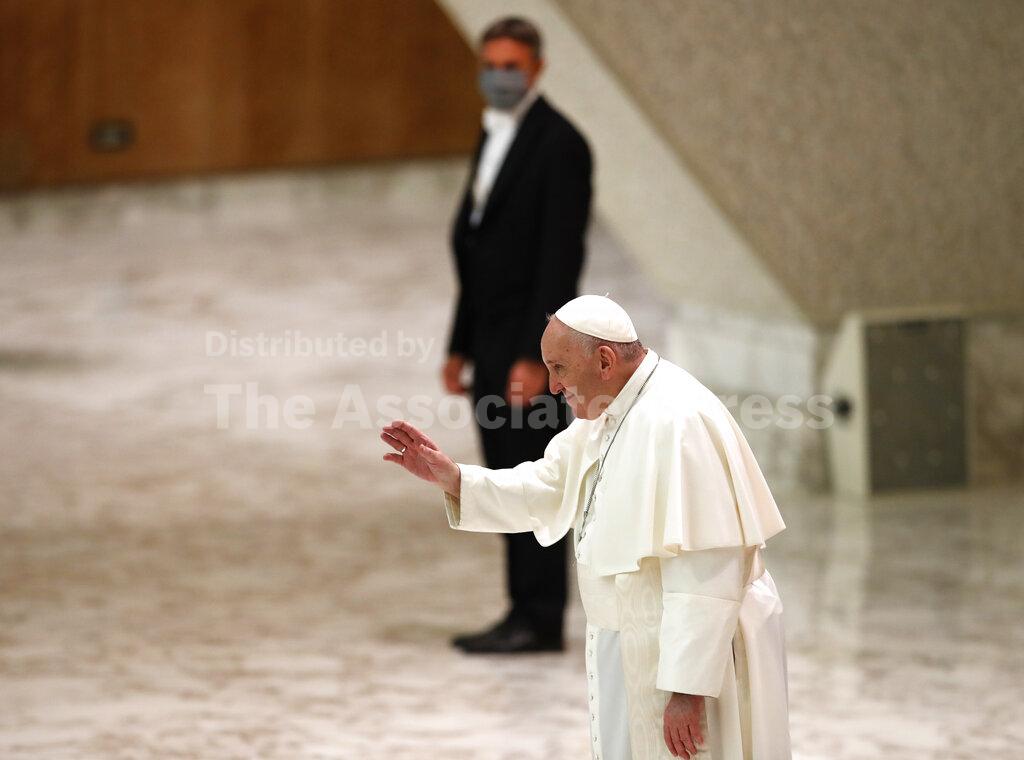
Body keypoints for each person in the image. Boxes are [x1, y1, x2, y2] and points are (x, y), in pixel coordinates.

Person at [384, 296, 791, 759]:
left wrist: (686, 688)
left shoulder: (679, 421)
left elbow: (708, 566)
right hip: (632, 641)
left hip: (687, 658)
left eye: (559, 368)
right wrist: (455, 479)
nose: (553, 385)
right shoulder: (610, 407)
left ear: (605, 360)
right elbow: (549, 485)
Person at [442, 16, 592, 654]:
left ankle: (539, 615)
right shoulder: (495, 132)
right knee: (504, 473)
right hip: (490, 338)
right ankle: (520, 610)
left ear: (537, 69)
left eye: (512, 66)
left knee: (532, 476)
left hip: (527, 346)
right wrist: (459, 344)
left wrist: (541, 359)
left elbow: (559, 259)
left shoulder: (561, 145)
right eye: (490, 65)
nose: (499, 77)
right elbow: (476, 248)